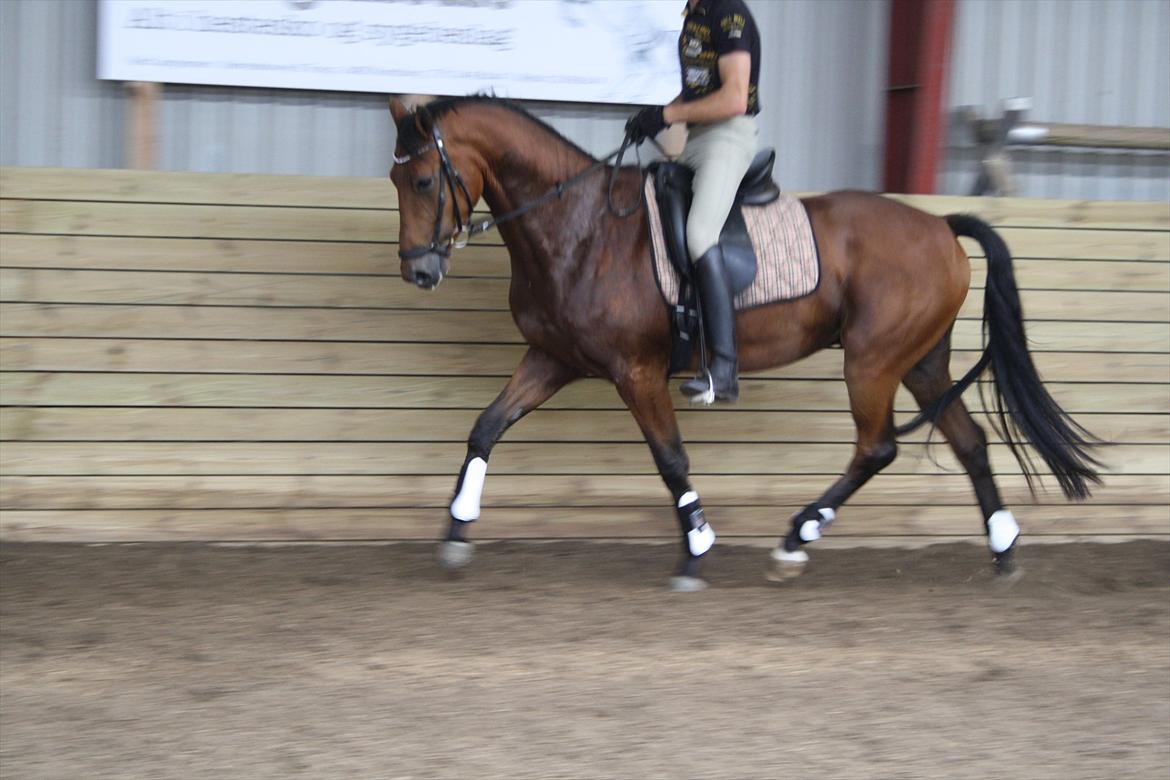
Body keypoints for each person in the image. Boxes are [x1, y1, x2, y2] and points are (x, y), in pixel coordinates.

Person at [626, 0, 761, 403]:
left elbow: (735, 98)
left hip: (729, 135)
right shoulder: (693, 15)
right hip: (697, 138)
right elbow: (698, 90)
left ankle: (724, 368)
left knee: (701, 234)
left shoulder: (728, 14)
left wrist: (666, 114)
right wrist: (653, 117)